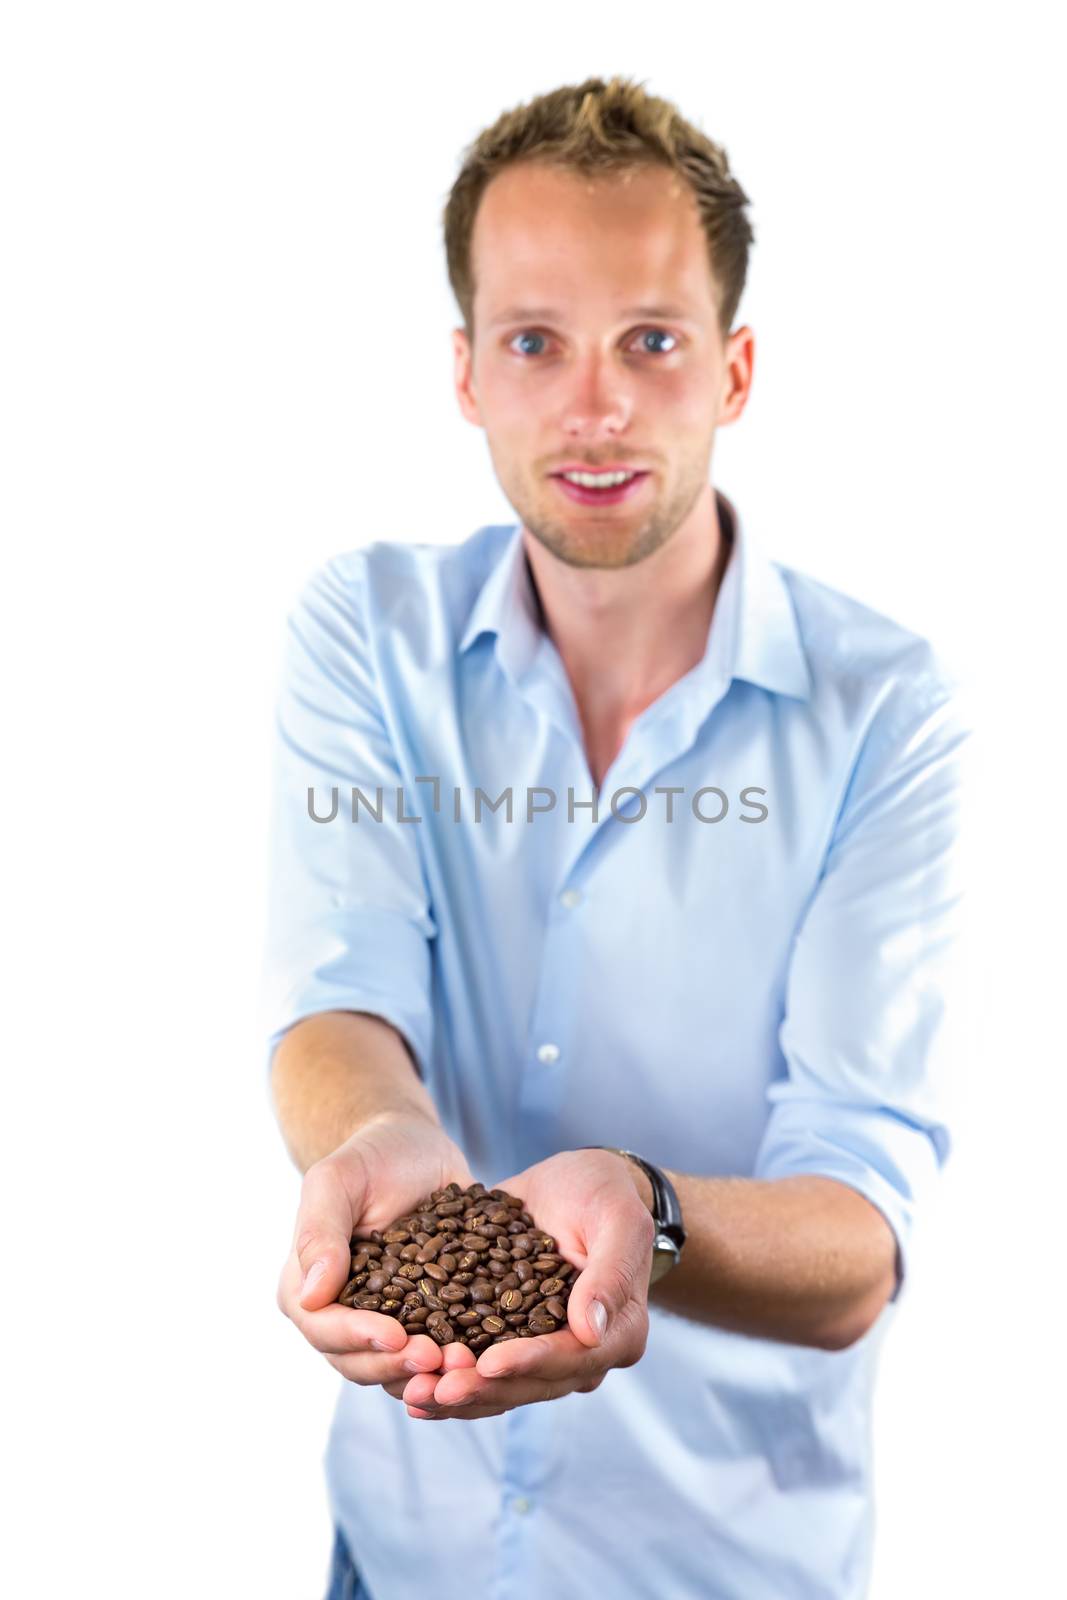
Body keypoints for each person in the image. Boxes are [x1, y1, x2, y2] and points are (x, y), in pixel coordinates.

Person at [263, 75, 970, 1600]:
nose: (593, 406)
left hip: (724, 1569)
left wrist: (642, 1212)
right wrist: (384, 1144)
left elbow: (861, 1225)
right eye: (535, 342)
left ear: (736, 367)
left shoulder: (884, 711)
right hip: (402, 1550)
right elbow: (341, 996)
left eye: (651, 341)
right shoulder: (365, 635)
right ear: (465, 373)